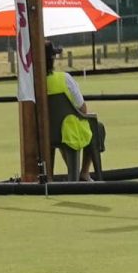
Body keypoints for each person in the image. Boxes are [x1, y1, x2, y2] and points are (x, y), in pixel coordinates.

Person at [45, 43, 106, 180]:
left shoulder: (33, 83)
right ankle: (84, 172)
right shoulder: (64, 78)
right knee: (97, 126)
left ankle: (75, 173)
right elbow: (83, 109)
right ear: (52, 59)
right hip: (67, 132)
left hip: (46, 133)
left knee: (63, 132)